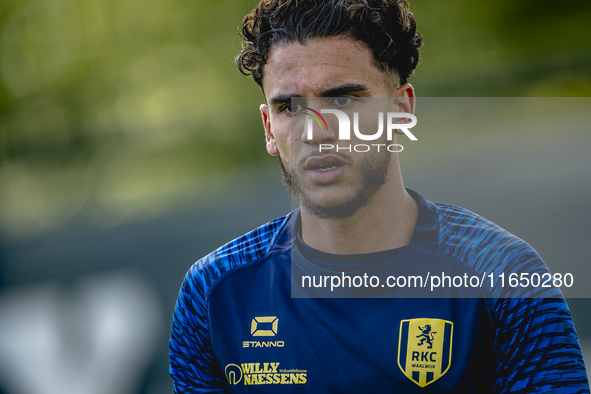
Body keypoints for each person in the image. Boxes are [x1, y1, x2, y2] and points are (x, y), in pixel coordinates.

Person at [169, 0, 589, 392]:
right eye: (290, 108)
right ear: (268, 129)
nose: (316, 131)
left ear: (402, 111)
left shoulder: (502, 275)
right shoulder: (213, 293)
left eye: (344, 99)